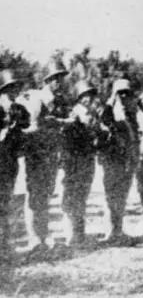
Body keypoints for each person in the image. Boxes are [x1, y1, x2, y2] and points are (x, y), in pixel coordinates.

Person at [18, 59, 70, 253]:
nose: (59, 82)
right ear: (47, 81)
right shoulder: (37, 98)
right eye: (55, 78)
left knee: (46, 196)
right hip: (36, 154)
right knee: (34, 197)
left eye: (61, 78)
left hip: (51, 153)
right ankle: (34, 238)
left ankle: (44, 236)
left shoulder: (60, 100)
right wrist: (55, 123)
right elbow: (30, 127)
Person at [60, 81, 102, 247]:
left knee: (83, 195)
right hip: (74, 159)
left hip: (87, 158)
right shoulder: (74, 113)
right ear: (78, 98)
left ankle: (79, 234)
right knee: (71, 196)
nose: (88, 99)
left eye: (91, 95)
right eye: (85, 96)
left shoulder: (93, 113)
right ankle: (71, 234)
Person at [99, 78, 140, 245]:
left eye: (126, 93)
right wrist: (111, 101)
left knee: (122, 197)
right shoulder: (109, 112)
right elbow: (105, 120)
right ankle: (111, 231)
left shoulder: (131, 114)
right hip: (113, 159)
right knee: (111, 196)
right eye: (120, 93)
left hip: (127, 159)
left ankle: (118, 230)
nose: (123, 97)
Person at [0, 70, 30, 263]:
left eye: (16, 88)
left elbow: (26, 124)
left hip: (10, 163)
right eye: (10, 88)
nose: (14, 92)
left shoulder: (18, 108)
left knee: (7, 205)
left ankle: (6, 249)